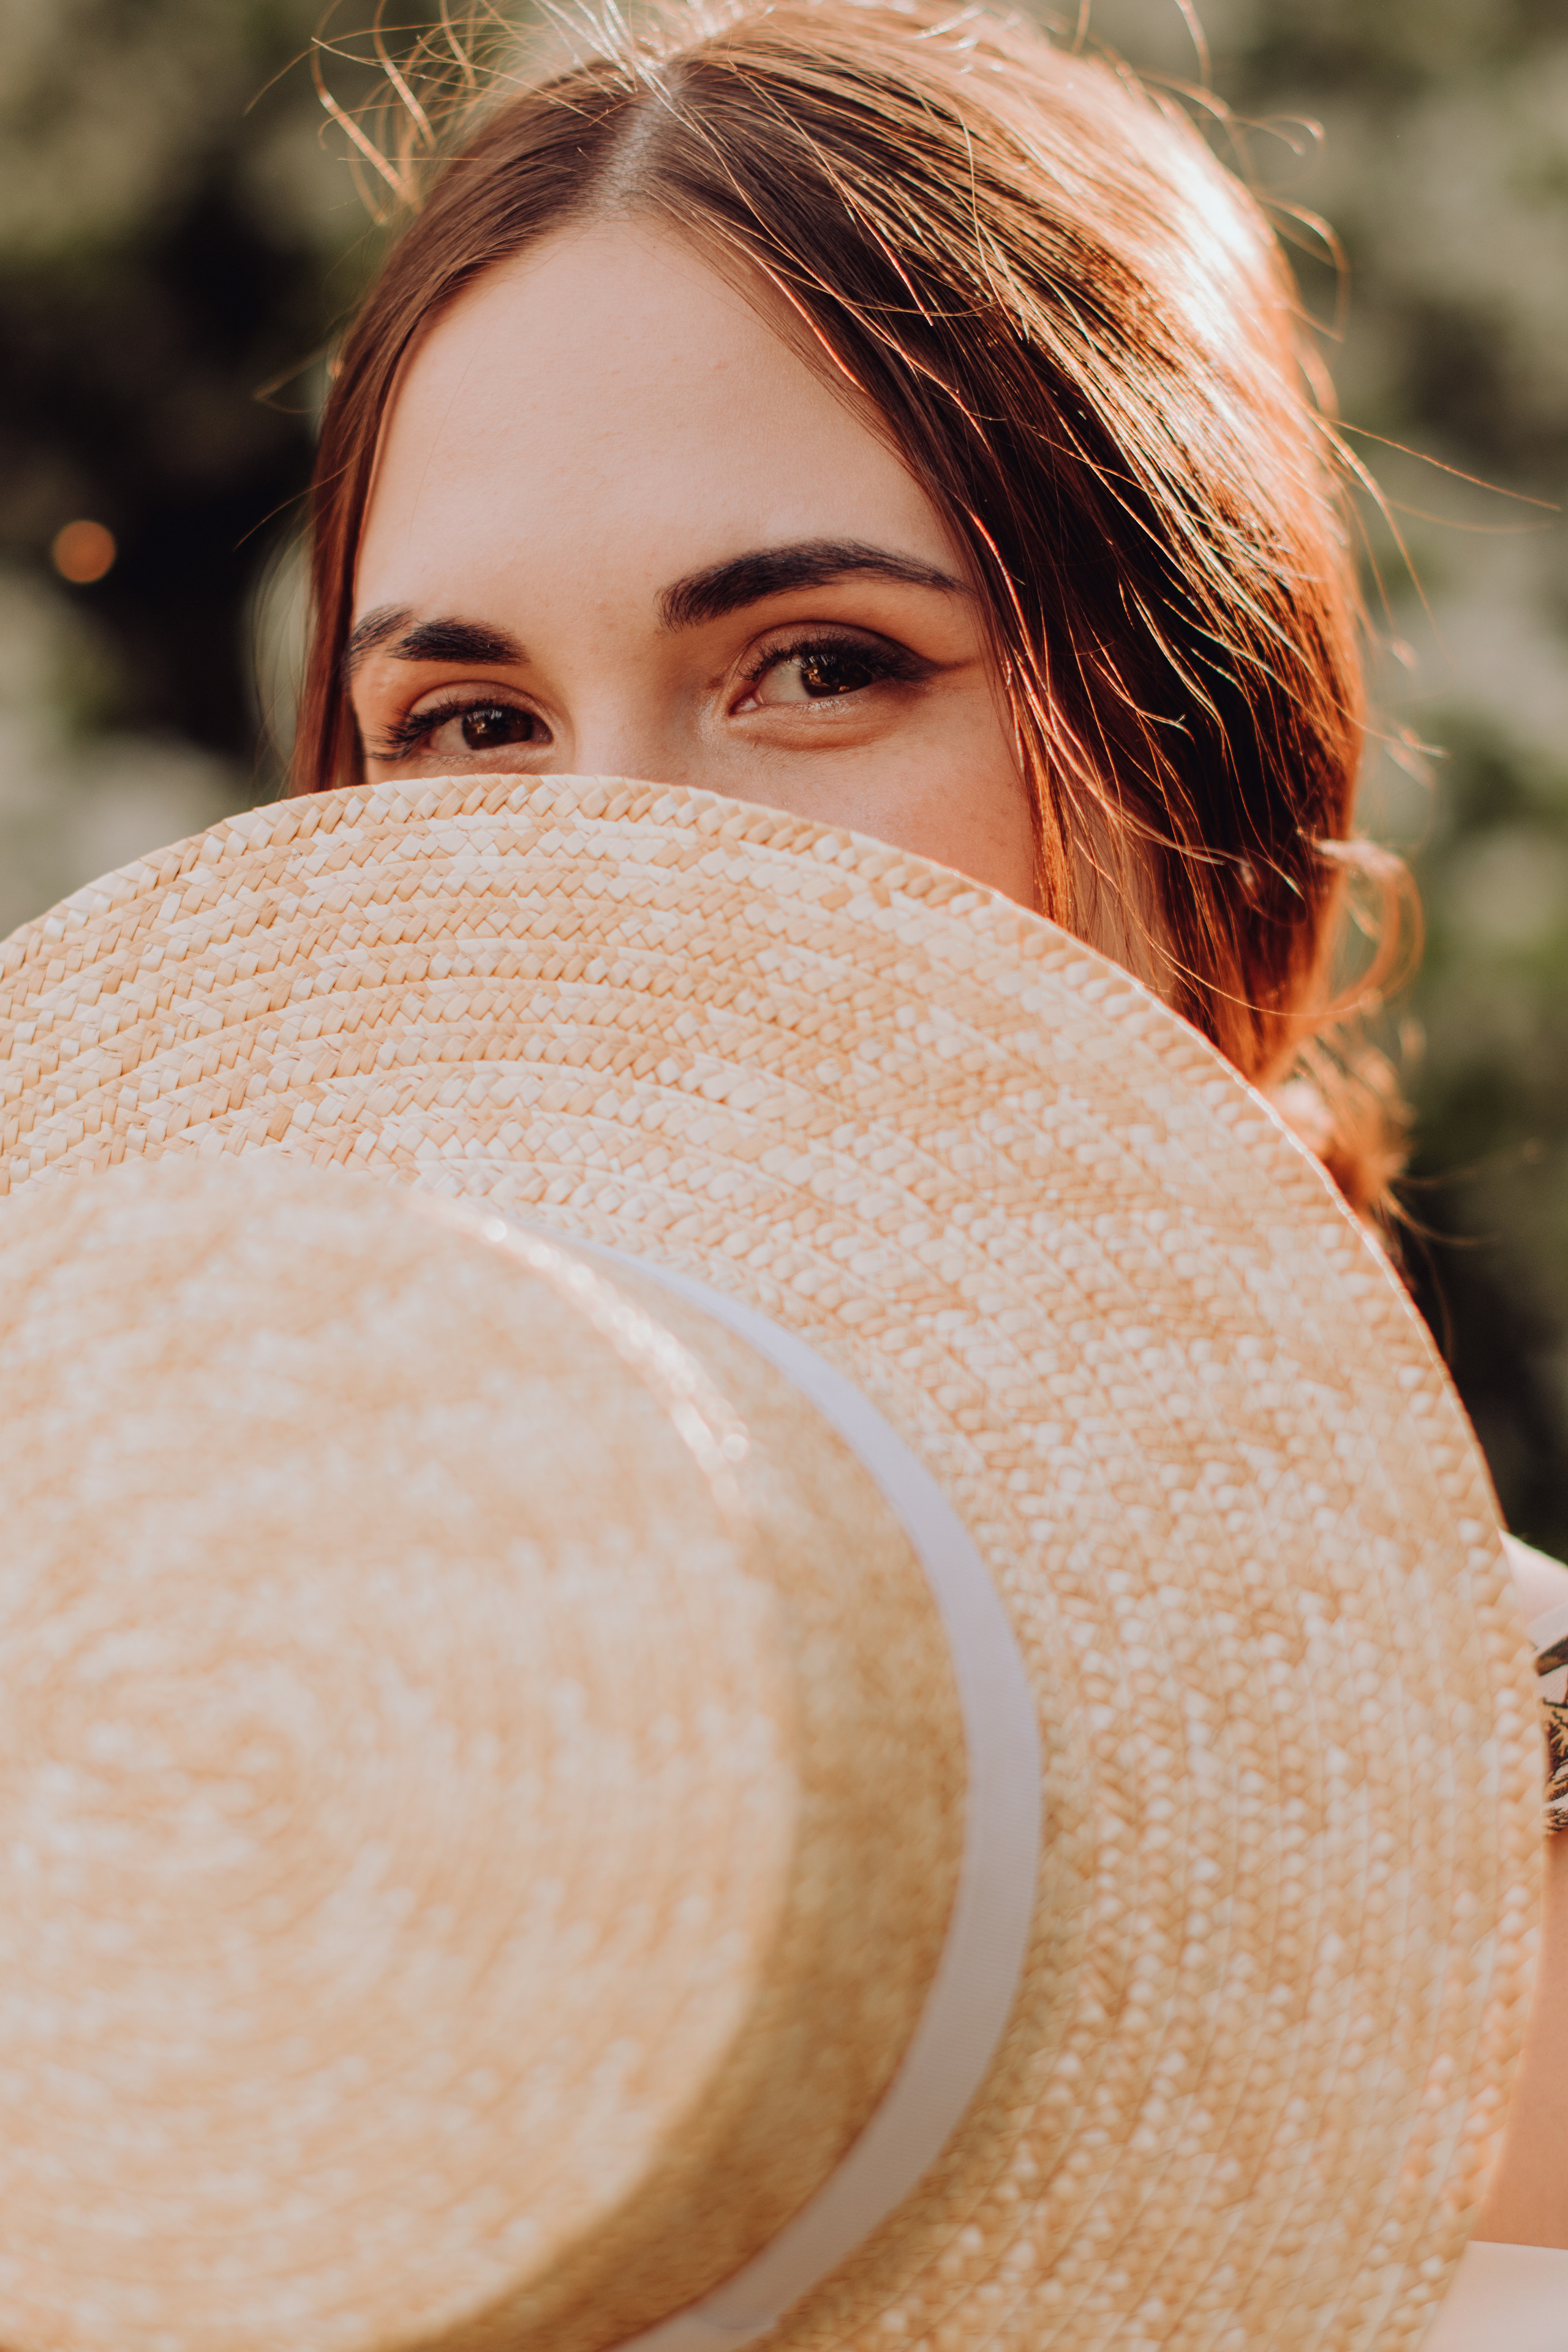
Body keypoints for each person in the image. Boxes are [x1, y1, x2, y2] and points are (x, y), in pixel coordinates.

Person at [288, 0, 1568, 2302]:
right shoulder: (151, 1820)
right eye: (470, 721)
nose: (621, 882)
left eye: (820, 663)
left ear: (1209, 749)